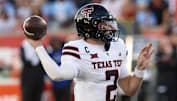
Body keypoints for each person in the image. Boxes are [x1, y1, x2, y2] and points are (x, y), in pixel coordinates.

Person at [25, 3, 154, 101]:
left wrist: (139, 69)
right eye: (104, 24)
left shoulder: (117, 45)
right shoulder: (76, 48)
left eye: (110, 22)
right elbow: (57, 75)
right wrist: (38, 47)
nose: (110, 27)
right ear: (89, 27)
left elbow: (129, 89)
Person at [48, 37, 72, 101]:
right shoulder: (50, 54)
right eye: (54, 43)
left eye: (57, 43)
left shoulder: (64, 52)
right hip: (56, 84)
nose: (56, 44)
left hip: (66, 83)